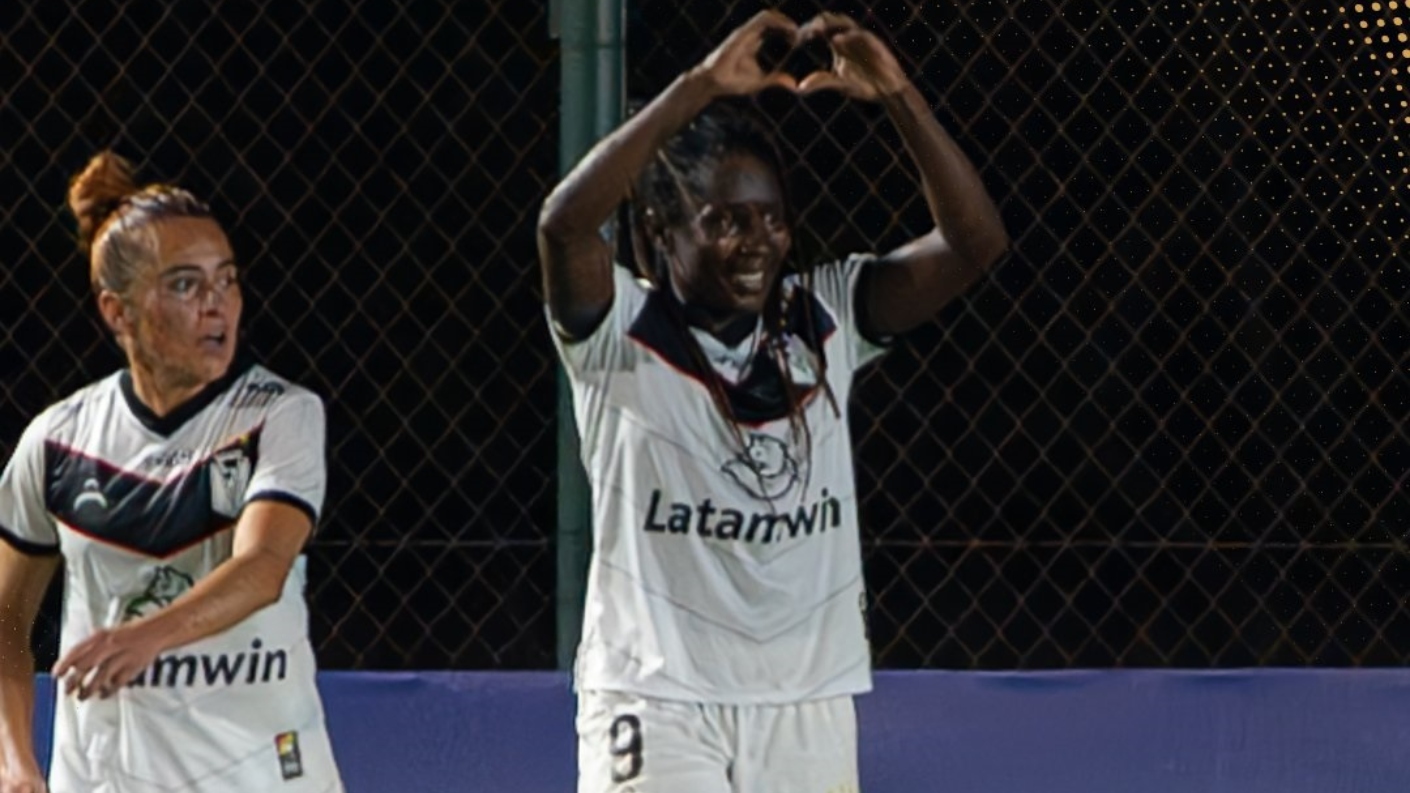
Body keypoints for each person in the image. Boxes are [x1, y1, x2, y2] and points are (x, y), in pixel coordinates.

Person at [538, 10, 1009, 792]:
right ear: (661, 231)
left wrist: (899, 96)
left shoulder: (824, 318)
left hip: (804, 693)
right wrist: (700, 87)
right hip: (657, 693)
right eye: (724, 221)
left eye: (770, 219)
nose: (756, 240)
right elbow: (563, 226)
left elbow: (974, 244)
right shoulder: (619, 331)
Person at [0, 152, 344, 793]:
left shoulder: (279, 416)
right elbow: (5, 616)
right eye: (186, 285)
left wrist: (147, 637)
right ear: (118, 312)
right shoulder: (58, 442)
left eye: (227, 280)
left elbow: (263, 567)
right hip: (106, 778)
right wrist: (14, 762)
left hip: (262, 777)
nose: (218, 306)